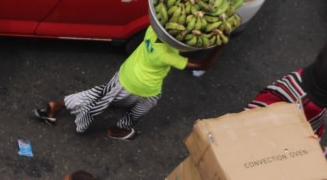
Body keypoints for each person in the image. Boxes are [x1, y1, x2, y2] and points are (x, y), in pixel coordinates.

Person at [33, 27, 221, 140]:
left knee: (99, 95)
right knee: (137, 110)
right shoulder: (165, 54)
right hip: (143, 88)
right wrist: (221, 45)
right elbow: (203, 65)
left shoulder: (152, 31)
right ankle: (117, 129)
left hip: (124, 75)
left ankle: (57, 105)